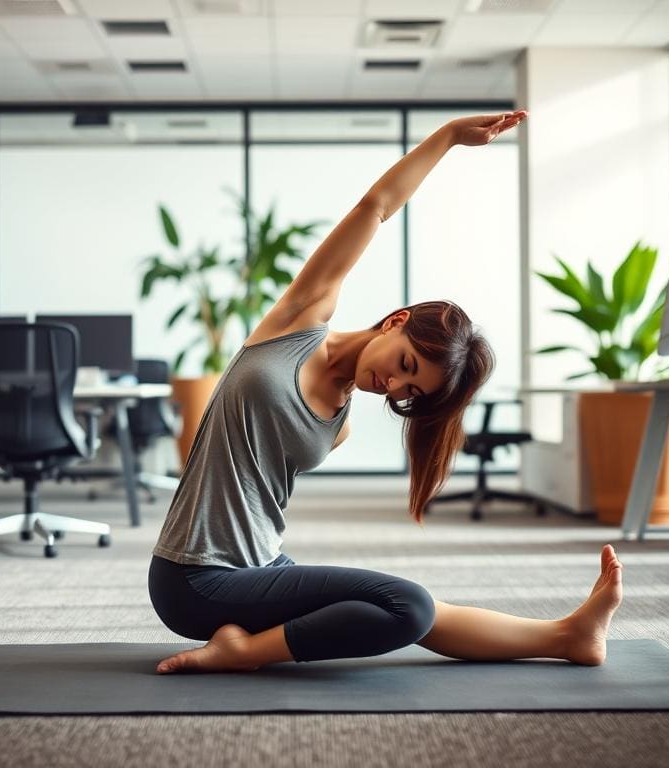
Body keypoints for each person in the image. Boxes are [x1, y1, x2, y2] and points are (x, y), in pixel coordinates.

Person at [148, 111, 624, 674]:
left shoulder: (340, 422)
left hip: (259, 568)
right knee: (408, 604)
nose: (393, 385)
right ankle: (243, 653)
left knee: (418, 612)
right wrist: (445, 138)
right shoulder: (298, 324)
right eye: (405, 363)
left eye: (410, 388)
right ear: (395, 321)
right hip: (194, 575)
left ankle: (567, 636)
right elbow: (372, 209)